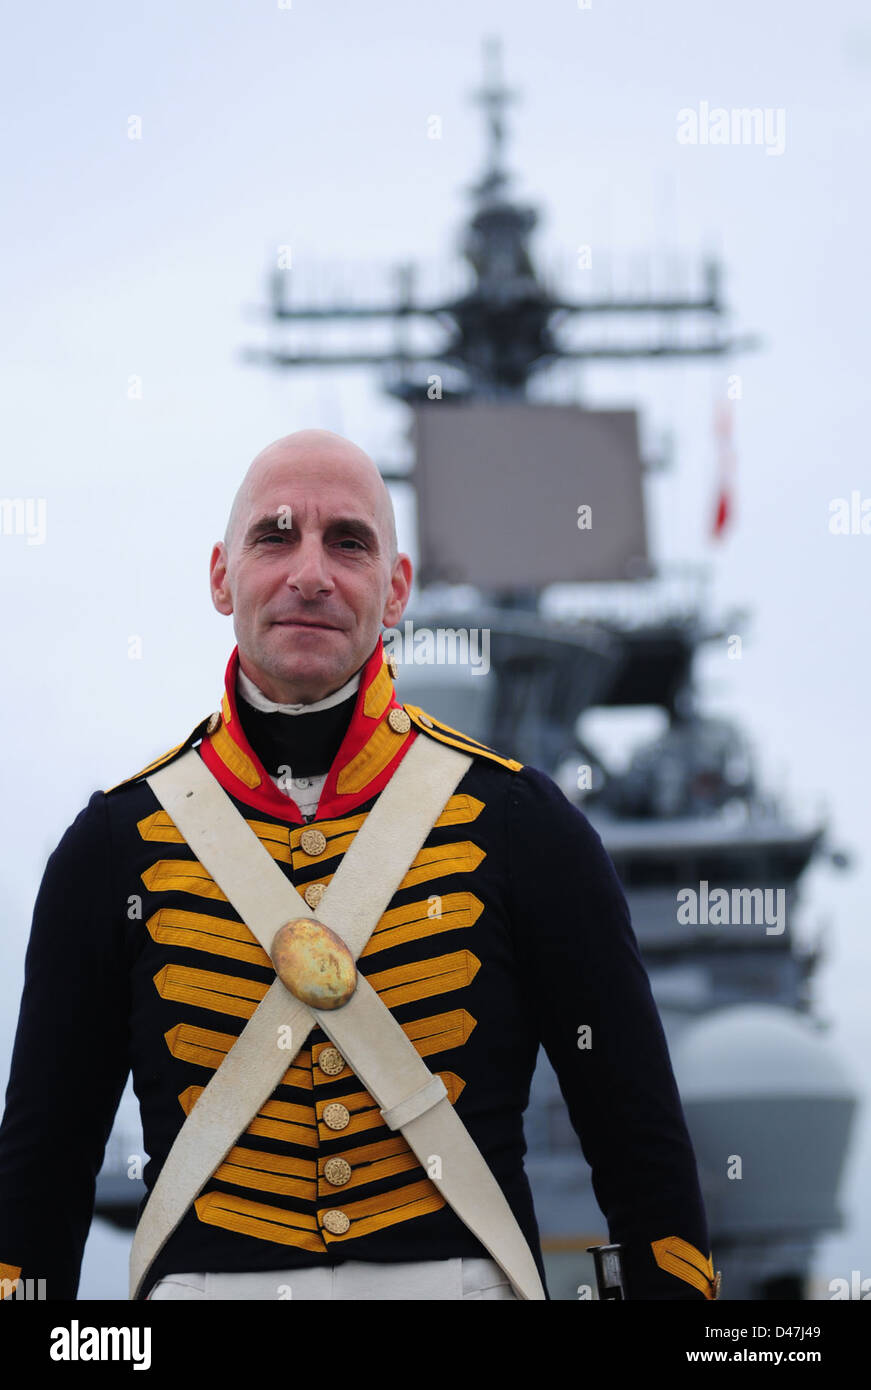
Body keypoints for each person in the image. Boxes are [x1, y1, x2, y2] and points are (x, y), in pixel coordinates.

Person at [0, 428, 718, 1302]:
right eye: (275, 535)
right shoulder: (109, 848)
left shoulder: (526, 828)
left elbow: (638, 1140)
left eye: (348, 541)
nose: (310, 572)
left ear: (396, 590)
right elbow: (43, 1166)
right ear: (221, 577)